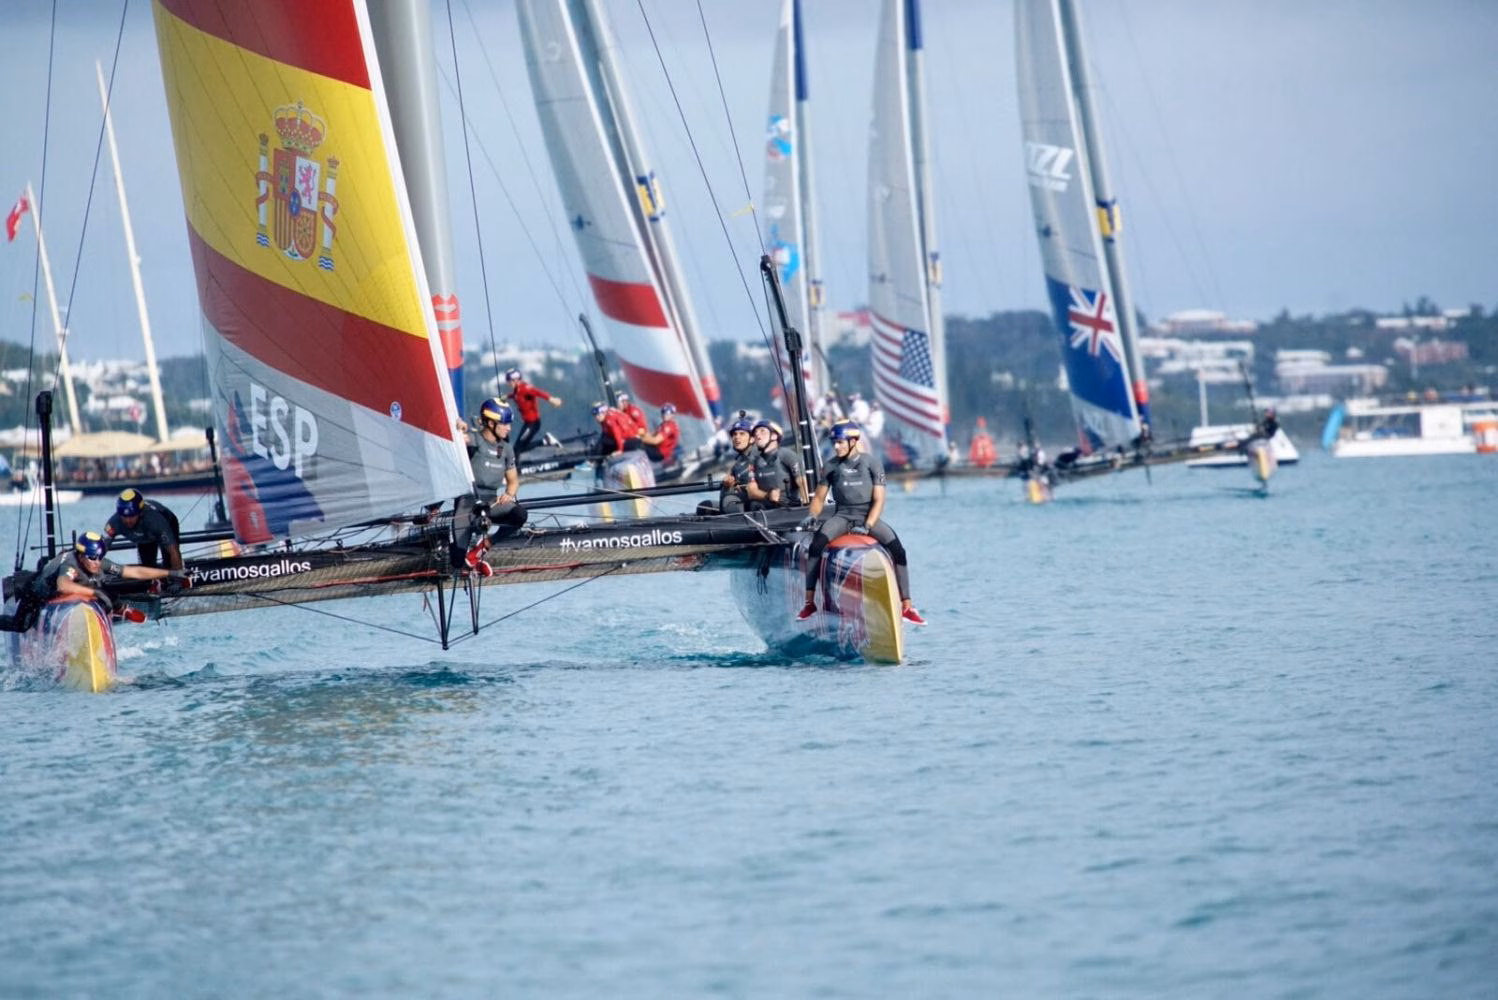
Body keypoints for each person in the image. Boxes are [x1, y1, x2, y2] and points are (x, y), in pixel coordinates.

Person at [797, 420, 924, 626]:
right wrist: (812, 514)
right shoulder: (830, 466)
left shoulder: (872, 463)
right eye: (834, 442)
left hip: (868, 516)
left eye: (840, 442)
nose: (836, 446)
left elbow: (879, 500)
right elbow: (819, 498)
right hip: (842, 516)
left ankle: (907, 607)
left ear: (853, 441)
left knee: (899, 551)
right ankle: (809, 603)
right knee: (816, 546)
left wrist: (867, 525)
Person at [0, 532, 181, 632]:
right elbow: (63, 585)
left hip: (66, 594)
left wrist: (170, 572)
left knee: (101, 586)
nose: (97, 561)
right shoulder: (71, 565)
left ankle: (120, 608)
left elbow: (132, 571)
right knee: (21, 626)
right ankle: (119, 608)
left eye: (100, 557)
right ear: (80, 555)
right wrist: (95, 594)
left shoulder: (98, 563)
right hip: (36, 594)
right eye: (92, 557)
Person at [452, 398, 528, 575]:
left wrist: (509, 494)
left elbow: (513, 481)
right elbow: (460, 437)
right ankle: (468, 558)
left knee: (520, 514)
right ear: (491, 423)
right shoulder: (474, 440)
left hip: (492, 502)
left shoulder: (507, 449)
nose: (509, 428)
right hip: (467, 503)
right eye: (505, 424)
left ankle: (483, 547)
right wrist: (458, 428)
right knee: (457, 562)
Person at [102, 488, 183, 570]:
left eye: (132, 516)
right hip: (143, 537)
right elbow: (102, 547)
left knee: (168, 562)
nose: (128, 520)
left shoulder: (154, 520)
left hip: (167, 521)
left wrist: (179, 578)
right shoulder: (113, 523)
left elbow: (174, 552)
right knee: (147, 567)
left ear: (140, 513)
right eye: (124, 517)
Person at [502, 367, 563, 454]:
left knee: (517, 449)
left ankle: (517, 467)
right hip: (527, 424)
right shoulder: (517, 390)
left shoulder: (525, 388)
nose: (508, 384)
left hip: (533, 424)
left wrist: (552, 399)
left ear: (515, 380)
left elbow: (538, 392)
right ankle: (545, 441)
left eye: (509, 381)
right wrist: (507, 397)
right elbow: (515, 395)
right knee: (519, 448)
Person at [752, 419, 806, 507]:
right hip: (764, 511)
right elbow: (751, 491)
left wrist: (807, 505)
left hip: (788, 508)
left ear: (774, 436)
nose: (757, 434)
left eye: (762, 431)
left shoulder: (787, 455)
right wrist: (768, 495)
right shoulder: (755, 461)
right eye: (755, 432)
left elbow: (802, 482)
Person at [717, 418, 760, 514]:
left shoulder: (760, 457)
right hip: (741, 503)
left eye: (742, 434)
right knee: (705, 506)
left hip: (760, 506)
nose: (737, 437)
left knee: (729, 501)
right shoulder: (737, 463)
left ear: (752, 439)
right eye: (734, 434)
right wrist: (727, 485)